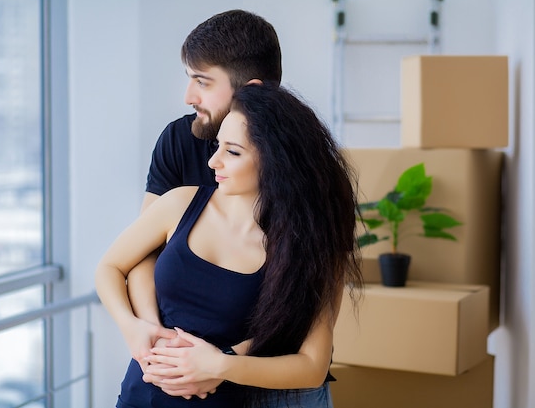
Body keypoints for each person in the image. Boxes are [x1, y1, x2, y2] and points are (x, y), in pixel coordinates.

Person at [95, 83, 363, 408]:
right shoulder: (181, 203)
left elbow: (312, 366)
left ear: (278, 162)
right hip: (141, 397)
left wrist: (219, 365)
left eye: (232, 152)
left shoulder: (307, 247)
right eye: (218, 145)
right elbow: (110, 267)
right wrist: (134, 327)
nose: (213, 162)